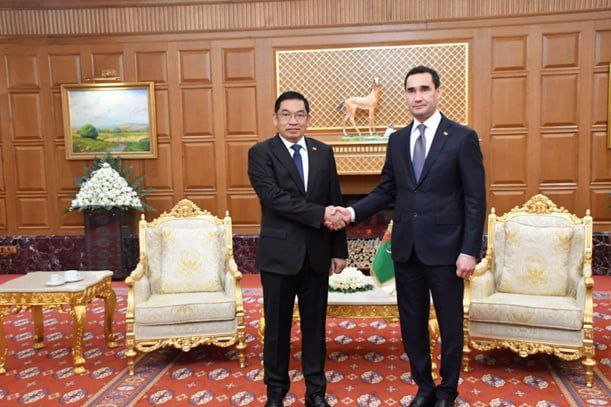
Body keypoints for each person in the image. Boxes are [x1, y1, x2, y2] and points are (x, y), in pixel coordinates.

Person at [332, 66, 486, 406]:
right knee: (411, 324)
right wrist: (352, 213)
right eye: (411, 90)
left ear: (438, 92)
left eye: (424, 89)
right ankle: (425, 387)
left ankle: (447, 390)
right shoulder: (398, 140)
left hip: (447, 251)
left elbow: (475, 199)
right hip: (406, 250)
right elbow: (386, 189)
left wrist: (470, 250)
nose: (418, 96)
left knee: (449, 324)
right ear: (405, 95)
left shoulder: (462, 137)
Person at [248, 91, 349, 407]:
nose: (293, 120)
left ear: (308, 118)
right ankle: (275, 393)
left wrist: (339, 249)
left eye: (300, 114)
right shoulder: (261, 153)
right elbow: (274, 198)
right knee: (277, 329)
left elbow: (335, 197)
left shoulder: (323, 152)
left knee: (315, 328)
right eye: (286, 114)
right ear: (275, 118)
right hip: (279, 257)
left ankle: (316, 392)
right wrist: (320, 214)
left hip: (316, 255)